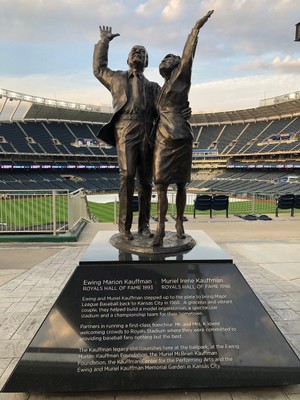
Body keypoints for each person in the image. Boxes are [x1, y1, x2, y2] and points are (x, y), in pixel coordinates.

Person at [152, 10, 214, 246]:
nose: (164, 60)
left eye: (169, 58)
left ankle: (178, 222)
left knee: (179, 185)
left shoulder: (181, 78)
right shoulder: (161, 89)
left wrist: (195, 29)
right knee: (160, 184)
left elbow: (188, 56)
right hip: (162, 139)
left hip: (179, 137)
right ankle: (159, 227)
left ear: (177, 65)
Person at [93, 26, 160, 240]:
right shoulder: (116, 78)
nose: (138, 53)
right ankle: (124, 228)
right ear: (128, 59)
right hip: (125, 128)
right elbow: (98, 68)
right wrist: (104, 42)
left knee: (145, 182)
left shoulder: (154, 87)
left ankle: (144, 227)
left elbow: (166, 109)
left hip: (147, 131)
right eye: (135, 51)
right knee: (127, 176)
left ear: (146, 62)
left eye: (142, 52)